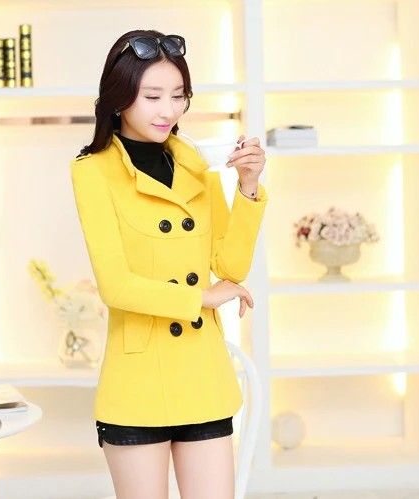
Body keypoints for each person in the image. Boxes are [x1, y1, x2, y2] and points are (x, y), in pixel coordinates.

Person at [70, 29, 268, 499]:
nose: (168, 110)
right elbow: (116, 286)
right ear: (120, 98)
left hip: (202, 374)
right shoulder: (92, 171)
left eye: (178, 96)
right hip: (137, 382)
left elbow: (230, 265)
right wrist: (201, 298)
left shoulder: (196, 164)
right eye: (153, 96)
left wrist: (248, 185)